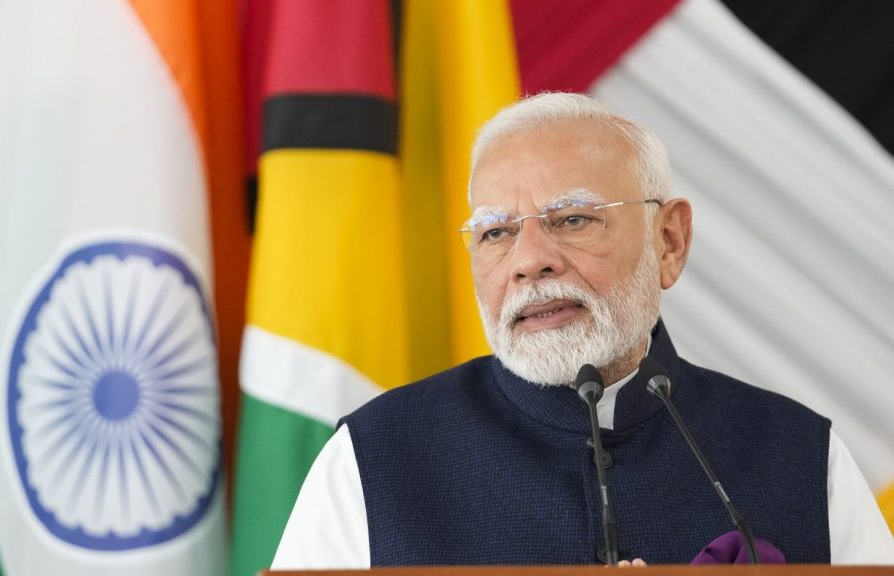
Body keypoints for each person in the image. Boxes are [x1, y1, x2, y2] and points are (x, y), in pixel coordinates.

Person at [271, 92, 894, 567]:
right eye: (495, 231)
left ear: (669, 241)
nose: (529, 260)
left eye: (571, 219)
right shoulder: (375, 458)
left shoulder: (800, 455)